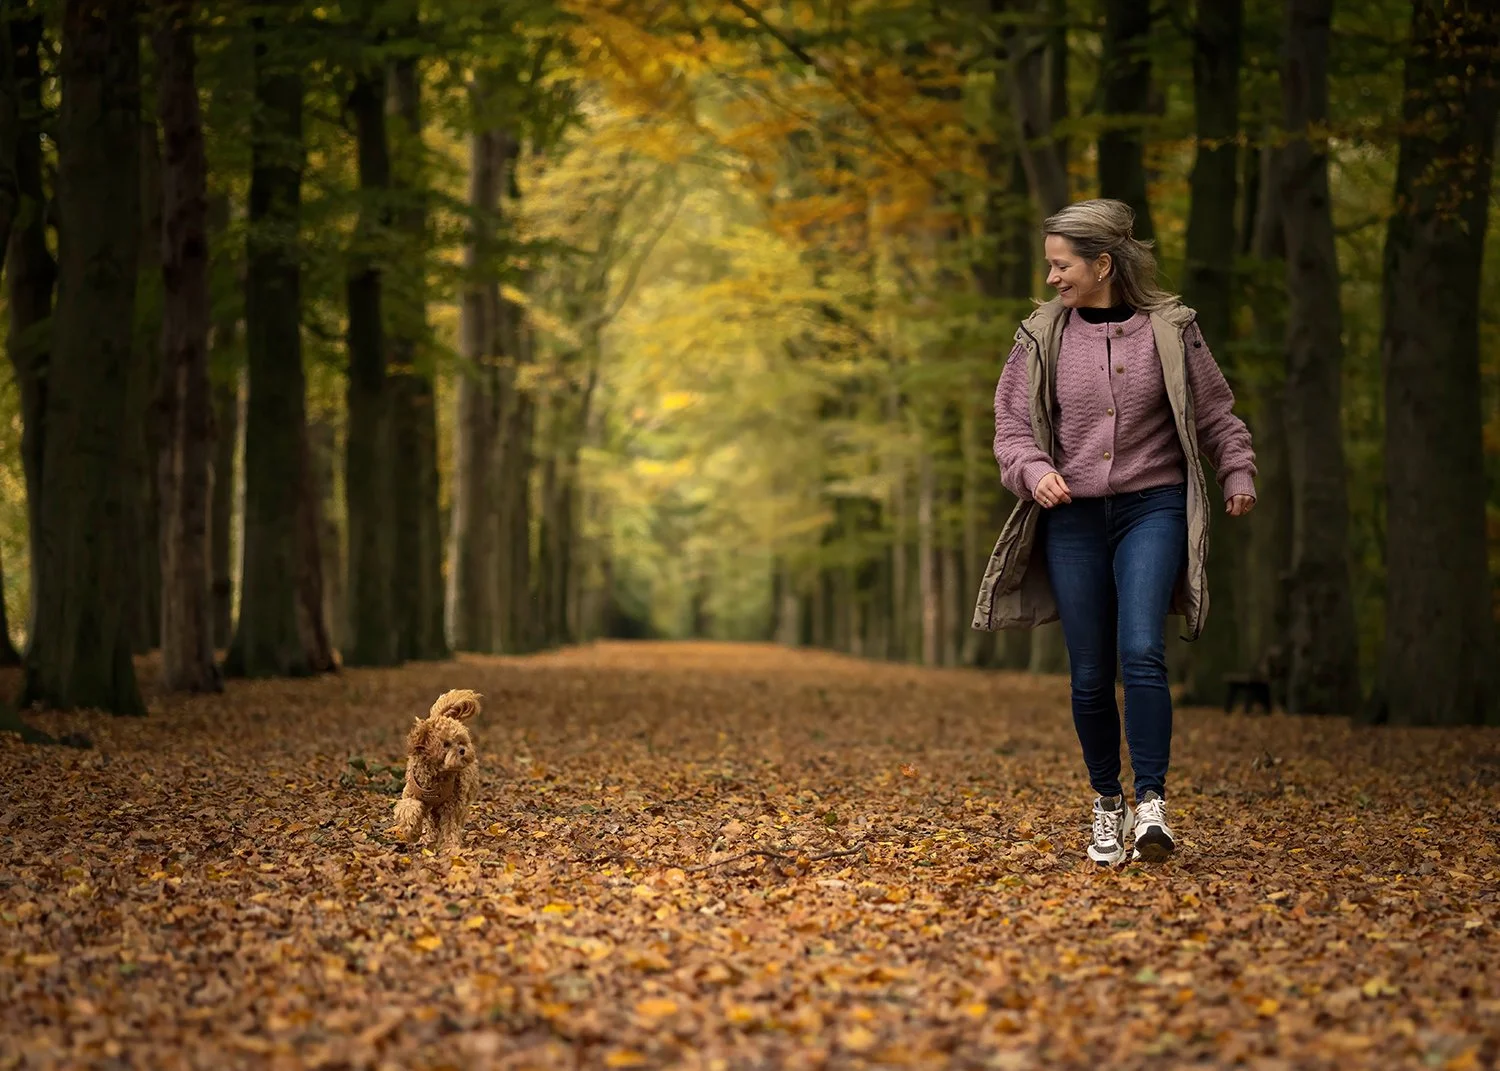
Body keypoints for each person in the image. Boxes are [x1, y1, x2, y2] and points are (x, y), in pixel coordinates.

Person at [971, 198, 1257, 867]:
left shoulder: (1171, 329)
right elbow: (1009, 426)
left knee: (1141, 651)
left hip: (1150, 507)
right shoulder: (1040, 335)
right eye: (1049, 265)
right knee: (1092, 671)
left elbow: (1214, 411)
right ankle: (1107, 801)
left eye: (1061, 265)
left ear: (1104, 263)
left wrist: (1237, 469)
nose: (1051, 279)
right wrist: (1034, 469)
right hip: (1071, 517)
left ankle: (1151, 803)